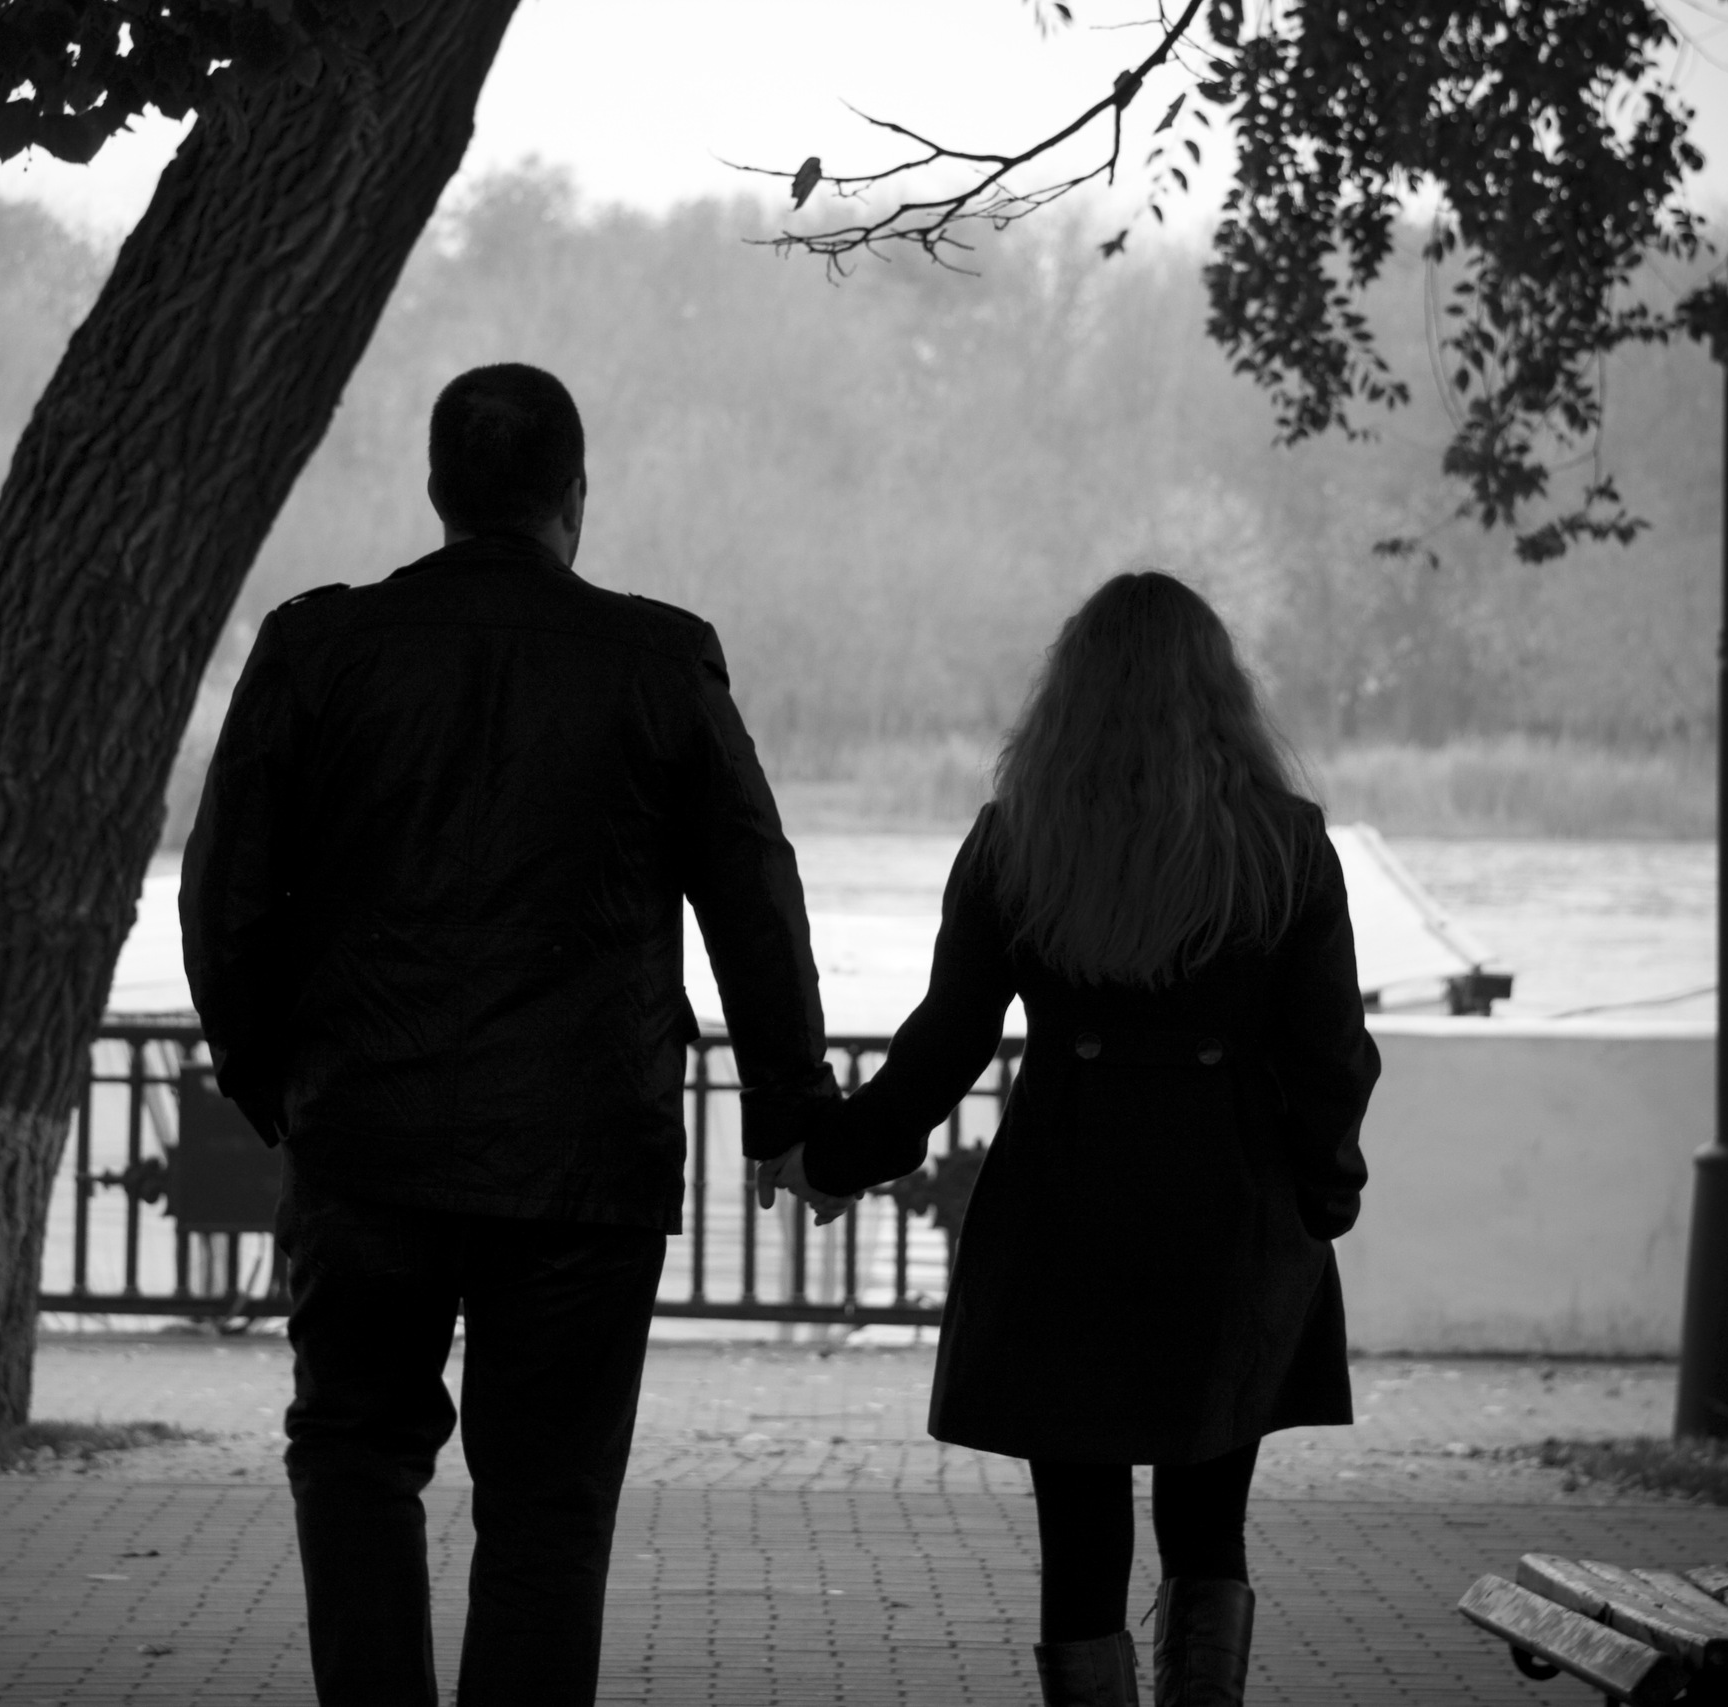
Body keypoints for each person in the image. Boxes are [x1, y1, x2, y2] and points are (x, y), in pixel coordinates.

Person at [180, 362, 837, 1707]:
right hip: (585, 1156)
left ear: (436, 490)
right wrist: (788, 1105)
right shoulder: (658, 659)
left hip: (365, 1141)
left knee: (356, 1459)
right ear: (574, 497)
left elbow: (223, 899)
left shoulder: (319, 650)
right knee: (548, 1501)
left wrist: (281, 1085)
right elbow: (753, 894)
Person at [762, 571, 1379, 1707]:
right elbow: (1332, 1057)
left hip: (1066, 1214)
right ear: (1221, 692)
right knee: (1209, 1517)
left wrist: (833, 1157)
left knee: (1080, 1531)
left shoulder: (1017, 843)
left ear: (1071, 695)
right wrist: (1322, 1200)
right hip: (1227, 1218)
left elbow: (945, 1044)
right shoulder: (1286, 847)